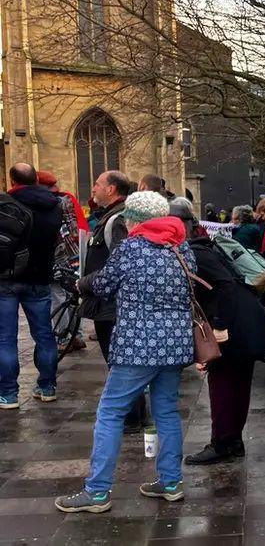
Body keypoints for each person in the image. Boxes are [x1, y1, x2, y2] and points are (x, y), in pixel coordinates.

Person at [56, 191, 194, 513]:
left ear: (133, 220)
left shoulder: (132, 247)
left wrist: (81, 284)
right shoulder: (181, 247)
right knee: (167, 413)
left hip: (138, 346)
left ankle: (98, 490)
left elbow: (104, 284)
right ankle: (171, 482)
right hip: (175, 344)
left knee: (110, 412)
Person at [170, 199, 265, 465]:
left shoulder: (195, 252)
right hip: (244, 320)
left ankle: (222, 442)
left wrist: (218, 324)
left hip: (232, 324)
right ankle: (232, 440)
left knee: (222, 385)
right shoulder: (204, 246)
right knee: (237, 384)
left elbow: (223, 285)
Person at [80, 171, 148, 433]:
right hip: (106, 304)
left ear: (111, 189)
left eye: (97, 184)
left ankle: (131, 419)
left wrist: (85, 283)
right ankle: (134, 416)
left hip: (113, 306)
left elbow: (122, 263)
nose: (93, 189)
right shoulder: (111, 215)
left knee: (121, 364)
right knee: (120, 363)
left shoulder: (118, 219)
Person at [0, 164, 62, 409]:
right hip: (40, 278)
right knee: (45, 335)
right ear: (36, 179)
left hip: (7, 278)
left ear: (12, 180)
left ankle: (8, 394)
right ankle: (47, 387)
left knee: (6, 339)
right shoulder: (53, 205)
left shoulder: (6, 204)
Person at [38, 170, 88, 354]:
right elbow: (76, 229)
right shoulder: (67, 199)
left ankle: (63, 337)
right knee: (72, 295)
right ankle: (77, 335)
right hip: (71, 253)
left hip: (54, 254)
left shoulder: (43, 202)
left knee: (57, 296)